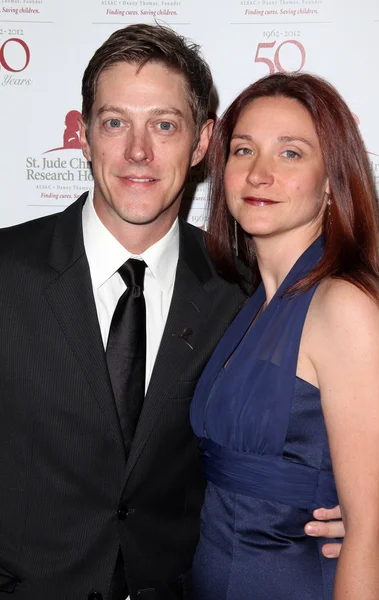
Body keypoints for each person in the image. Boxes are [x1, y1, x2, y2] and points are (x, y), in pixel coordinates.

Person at [0, 25, 342, 600]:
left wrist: (367, 510)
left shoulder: (244, 292)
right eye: (114, 123)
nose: (138, 151)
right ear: (83, 135)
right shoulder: (7, 272)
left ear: (203, 142)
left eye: (164, 125)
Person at [190, 72, 379, 599]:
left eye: (290, 154)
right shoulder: (253, 304)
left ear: (332, 181)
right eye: (243, 150)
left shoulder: (346, 305)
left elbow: (373, 531)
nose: (259, 174)